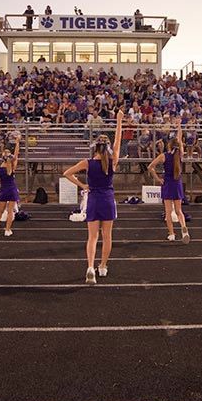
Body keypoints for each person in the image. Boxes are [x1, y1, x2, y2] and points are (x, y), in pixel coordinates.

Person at [64, 109, 124, 284]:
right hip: (107, 199)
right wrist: (119, 121)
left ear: (95, 147)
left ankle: (90, 267)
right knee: (107, 236)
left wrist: (83, 185)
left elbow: (67, 173)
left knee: (92, 237)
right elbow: (119, 141)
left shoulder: (87, 163)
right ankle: (103, 266)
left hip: (93, 200)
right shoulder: (113, 161)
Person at [147, 118, 190, 243]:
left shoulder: (164, 156)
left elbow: (150, 167)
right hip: (177, 183)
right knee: (179, 211)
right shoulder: (180, 154)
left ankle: (171, 234)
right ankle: (183, 228)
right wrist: (179, 126)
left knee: (168, 212)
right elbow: (180, 139)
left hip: (167, 183)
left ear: (168, 145)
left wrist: (158, 179)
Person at [0, 135, 20, 237]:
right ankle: (7, 230)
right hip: (12, 189)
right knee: (10, 211)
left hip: (3, 189)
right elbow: (16, 154)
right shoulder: (12, 167)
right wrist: (17, 142)